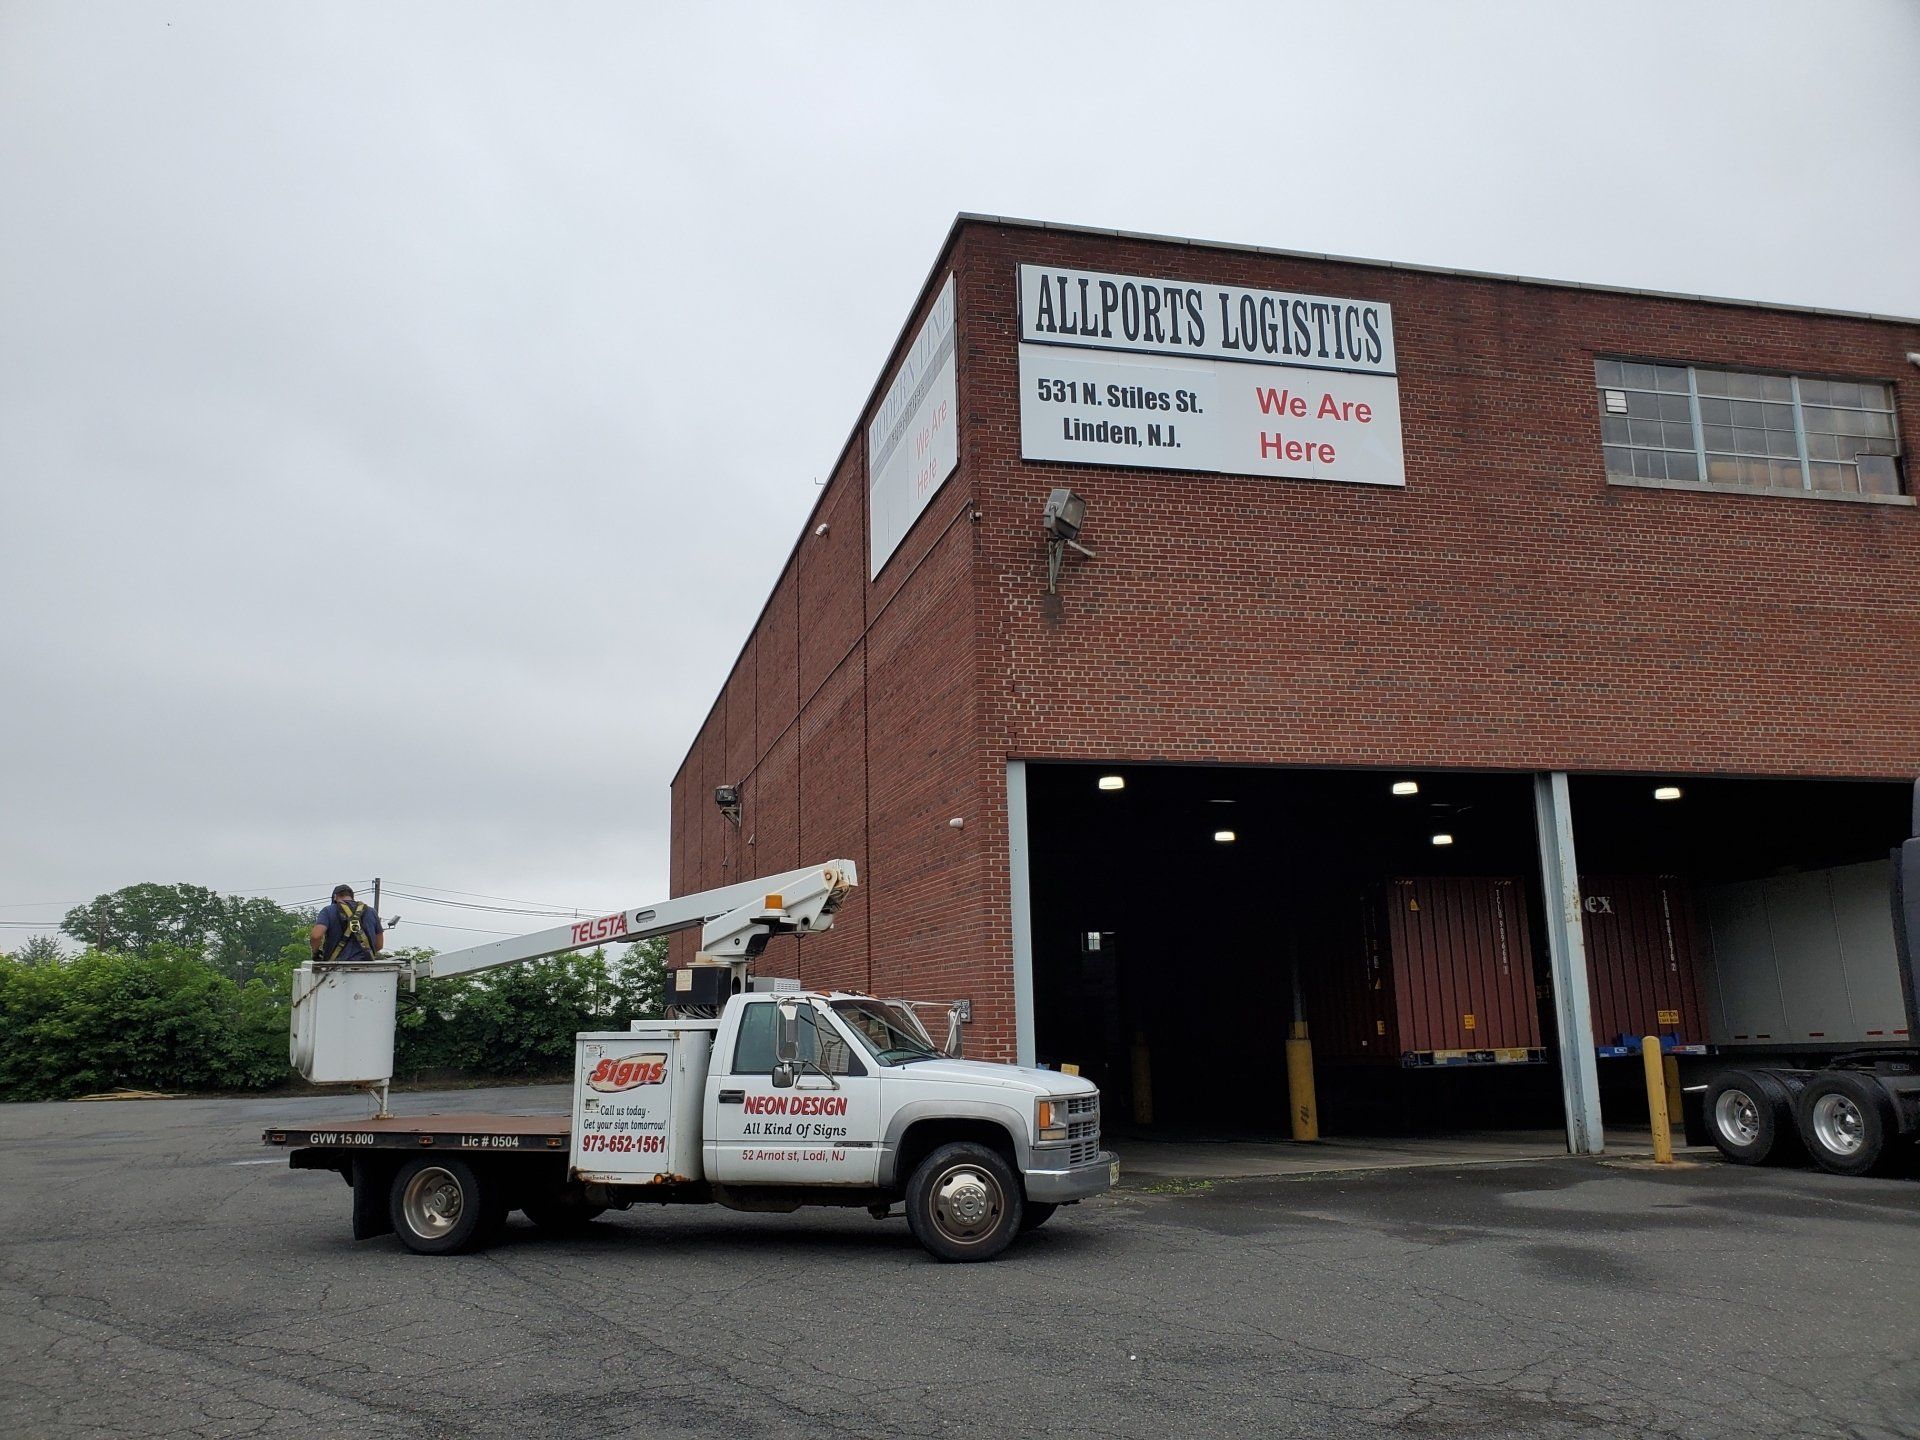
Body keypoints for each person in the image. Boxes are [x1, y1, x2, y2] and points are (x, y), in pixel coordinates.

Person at [311, 884, 385, 965]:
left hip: (336, 969)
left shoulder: (328, 911)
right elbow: (379, 945)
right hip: (366, 967)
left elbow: (316, 936)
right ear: (352, 897)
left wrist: (316, 953)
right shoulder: (371, 911)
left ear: (335, 897)